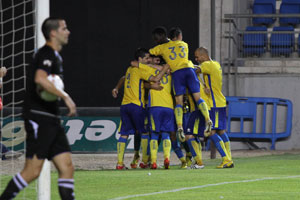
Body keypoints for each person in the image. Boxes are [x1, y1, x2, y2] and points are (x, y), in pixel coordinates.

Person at [0, 17, 77, 200]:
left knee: (67, 167)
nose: (68, 32)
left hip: (51, 119)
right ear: (53, 33)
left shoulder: (55, 55)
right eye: (64, 28)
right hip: (38, 118)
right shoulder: (46, 54)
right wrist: (65, 97)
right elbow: (40, 79)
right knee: (32, 171)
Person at [149, 27, 212, 143]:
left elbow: (151, 52)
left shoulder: (162, 47)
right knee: (198, 98)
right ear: (179, 36)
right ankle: (208, 118)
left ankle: (179, 126)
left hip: (177, 73)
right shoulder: (184, 44)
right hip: (189, 70)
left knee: (179, 102)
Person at [114, 48, 169, 170]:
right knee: (144, 132)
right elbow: (155, 79)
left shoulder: (130, 69)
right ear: (140, 60)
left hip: (124, 105)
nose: (149, 60)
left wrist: (116, 88)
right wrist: (164, 69)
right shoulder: (140, 69)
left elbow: (127, 79)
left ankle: (119, 163)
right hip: (136, 105)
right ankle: (144, 161)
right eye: (146, 58)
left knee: (124, 134)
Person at [194, 47, 233, 168]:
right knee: (222, 131)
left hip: (214, 104)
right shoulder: (216, 64)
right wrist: (205, 85)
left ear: (203, 56)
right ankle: (229, 158)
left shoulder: (207, 65)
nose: (196, 59)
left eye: (197, 57)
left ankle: (226, 159)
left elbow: (194, 70)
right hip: (220, 102)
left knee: (211, 132)